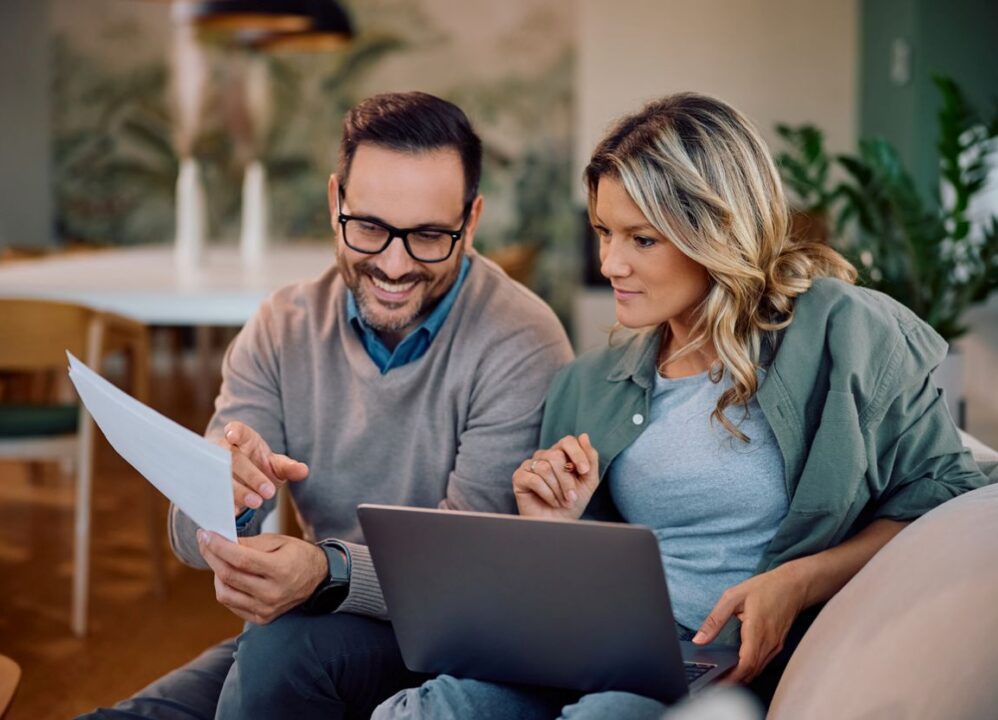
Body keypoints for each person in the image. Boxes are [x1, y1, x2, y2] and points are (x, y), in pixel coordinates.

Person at [372, 92, 989, 720]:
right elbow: (573, 582)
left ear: (715, 230)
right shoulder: (588, 383)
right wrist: (552, 526)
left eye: (642, 239)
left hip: (721, 665)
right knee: (427, 710)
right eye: (604, 233)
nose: (611, 263)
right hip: (595, 645)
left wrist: (796, 581)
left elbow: (943, 497)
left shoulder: (846, 334)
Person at [78, 92, 573, 720]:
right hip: (312, 619)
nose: (394, 265)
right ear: (335, 201)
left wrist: (327, 572)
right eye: (369, 227)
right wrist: (223, 499)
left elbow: (465, 578)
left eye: (427, 236)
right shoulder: (280, 326)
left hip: (448, 642)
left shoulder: (522, 341)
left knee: (281, 656)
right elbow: (186, 534)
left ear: (470, 223)